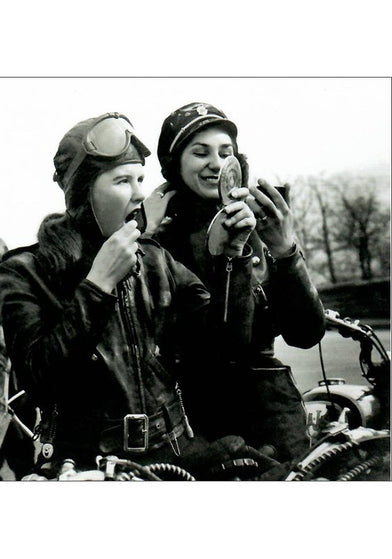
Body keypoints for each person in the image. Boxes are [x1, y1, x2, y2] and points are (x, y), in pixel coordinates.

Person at [0, 112, 278, 480]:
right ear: (84, 190)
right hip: (86, 465)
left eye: (141, 179)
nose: (139, 193)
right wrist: (97, 285)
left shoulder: (156, 259)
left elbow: (224, 350)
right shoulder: (26, 270)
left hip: (175, 451)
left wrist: (233, 260)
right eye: (122, 180)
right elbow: (39, 379)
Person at [144, 102, 326, 462]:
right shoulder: (162, 243)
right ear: (174, 165)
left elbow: (306, 334)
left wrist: (286, 251)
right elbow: (219, 349)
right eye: (200, 152)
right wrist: (145, 237)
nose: (216, 163)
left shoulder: (259, 228)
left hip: (276, 416)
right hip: (198, 418)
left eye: (226, 152)